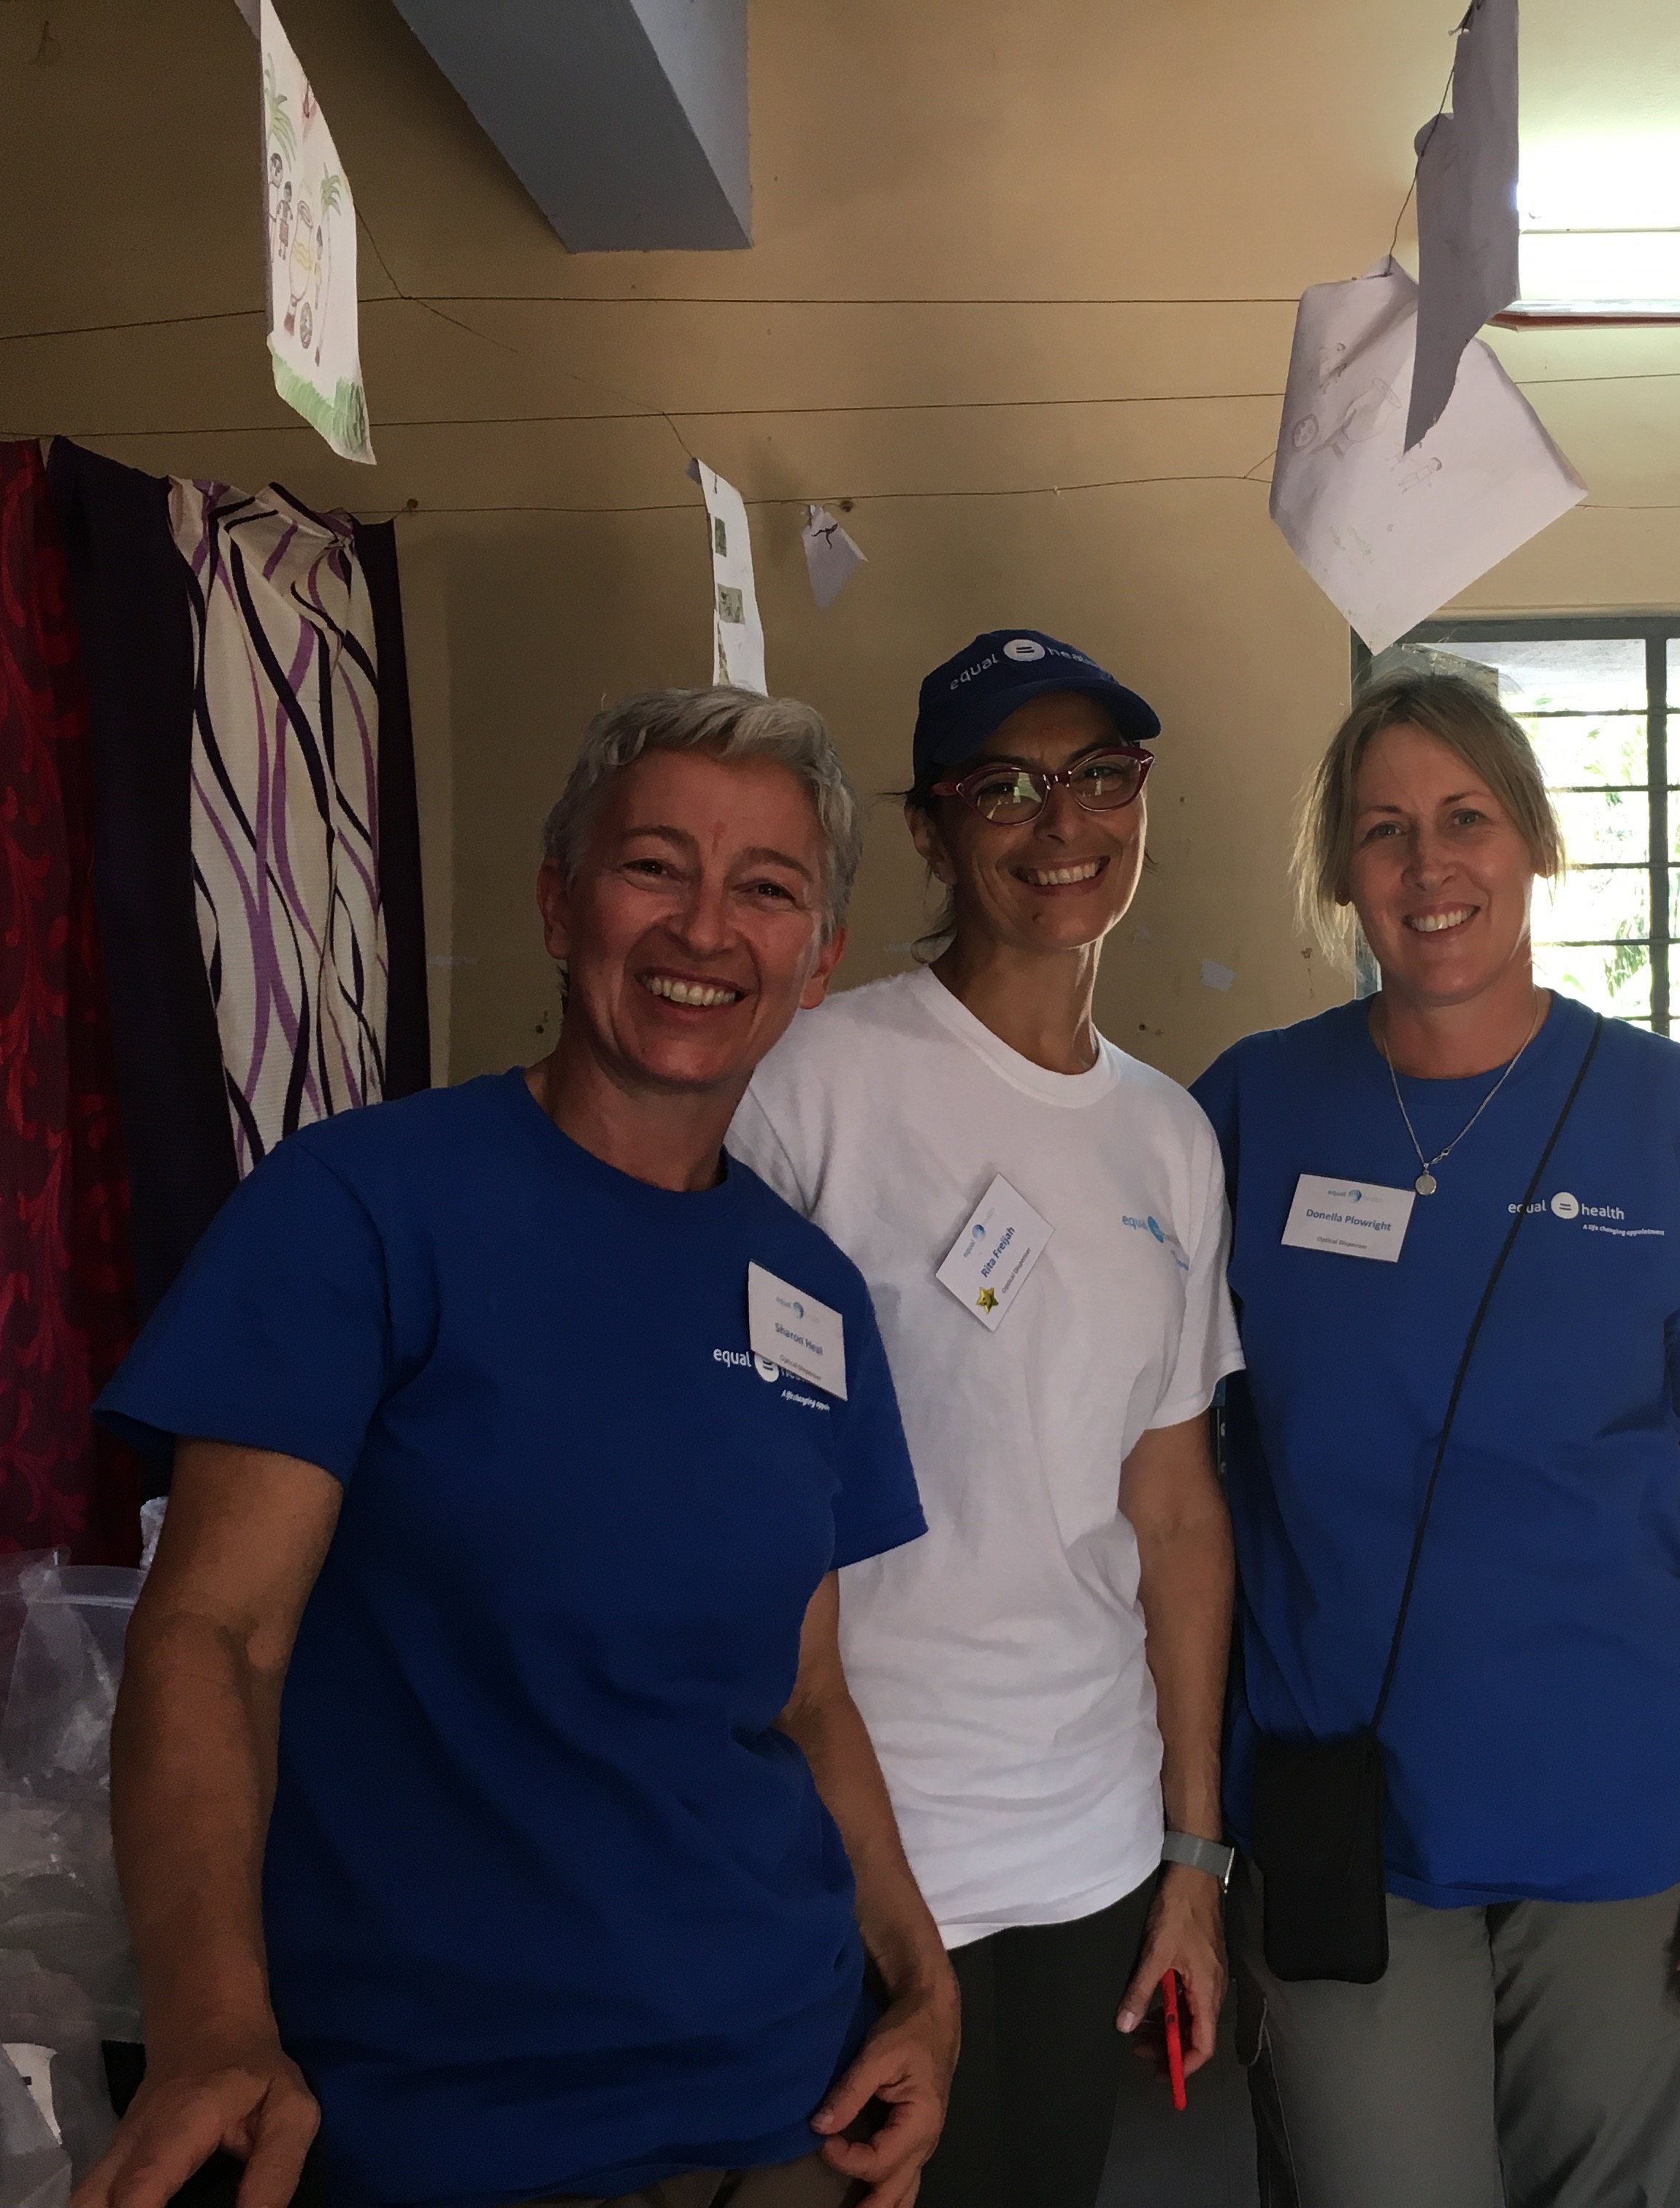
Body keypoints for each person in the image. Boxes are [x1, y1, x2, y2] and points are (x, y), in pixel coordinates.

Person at [77, 690, 958, 2208]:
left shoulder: (811, 1294)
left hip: (788, 2104)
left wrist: (925, 1986)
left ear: (817, 962)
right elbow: (214, 1634)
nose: (704, 928)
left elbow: (807, 1699)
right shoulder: (362, 1209)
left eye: (766, 889)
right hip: (447, 2128)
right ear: (559, 904)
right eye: (654, 866)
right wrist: (211, 2024)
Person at [1189, 672, 1680, 2207]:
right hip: (1341, 1807)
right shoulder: (1252, 1110)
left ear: (1535, 841)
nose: (1430, 866)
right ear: (1340, 872)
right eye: (1384, 830)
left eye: (1467, 818)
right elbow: (1162, 1458)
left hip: (1618, 1800)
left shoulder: (1667, 1113)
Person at [729, 632, 1240, 2208]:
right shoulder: (815, 1082)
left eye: (1099, 775)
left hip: (1088, 1839)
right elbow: (732, 1481)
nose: (1061, 821)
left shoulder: (1168, 1139)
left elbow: (1173, 1512)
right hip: (854, 1835)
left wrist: (1191, 1857)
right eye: (1005, 786)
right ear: (933, 831)